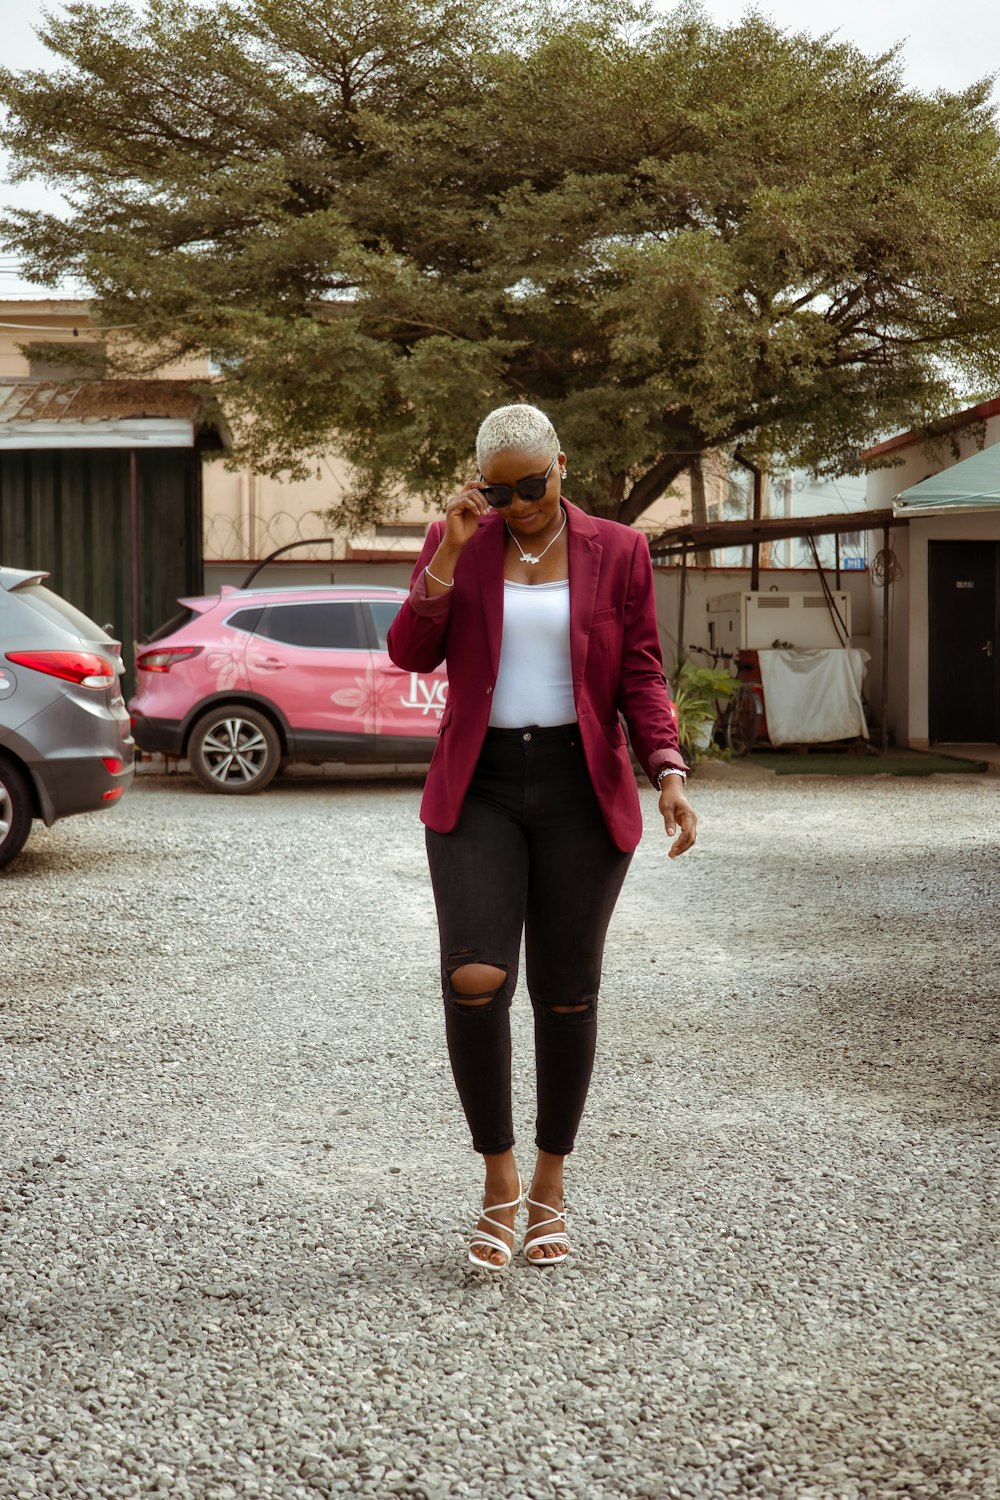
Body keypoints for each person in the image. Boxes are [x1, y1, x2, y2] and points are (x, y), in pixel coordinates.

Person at [386, 403, 696, 1270]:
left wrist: (666, 769)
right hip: (478, 785)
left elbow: (640, 668)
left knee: (566, 993)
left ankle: (552, 1186)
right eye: (503, 488)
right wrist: (446, 552)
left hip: (577, 787)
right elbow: (410, 652)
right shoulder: (460, 543)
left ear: (562, 464)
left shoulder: (619, 550)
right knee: (476, 977)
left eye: (536, 482)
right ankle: (499, 1180)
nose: (521, 500)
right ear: (480, 481)